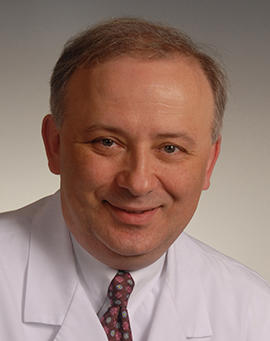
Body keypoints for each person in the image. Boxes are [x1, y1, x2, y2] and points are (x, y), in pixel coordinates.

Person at [0, 17, 269, 341]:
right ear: (54, 145)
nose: (138, 183)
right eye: (107, 142)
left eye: (171, 148)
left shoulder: (254, 312)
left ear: (209, 162)